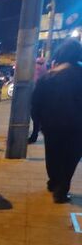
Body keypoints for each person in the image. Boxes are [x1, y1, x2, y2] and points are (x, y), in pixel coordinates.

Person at [30, 39, 82, 203]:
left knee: (53, 155)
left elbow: (35, 102)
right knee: (71, 157)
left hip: (52, 126)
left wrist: (38, 123)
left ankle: (54, 181)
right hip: (76, 127)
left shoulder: (49, 76)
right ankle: (61, 189)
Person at [28, 57, 49, 144]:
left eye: (40, 63)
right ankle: (37, 132)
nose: (38, 66)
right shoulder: (45, 71)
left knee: (36, 117)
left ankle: (35, 134)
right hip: (36, 97)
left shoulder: (41, 72)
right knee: (35, 117)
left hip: (38, 98)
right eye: (38, 63)